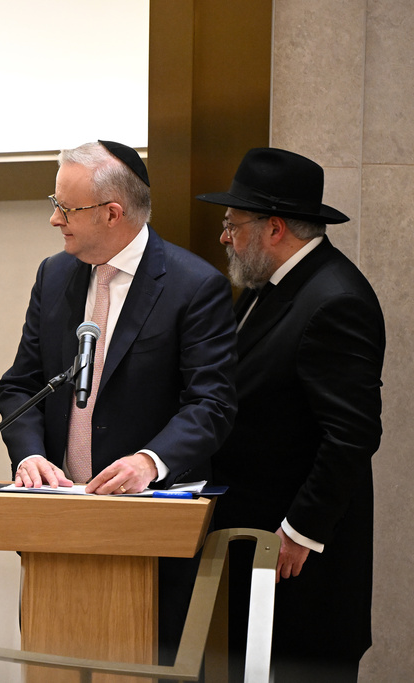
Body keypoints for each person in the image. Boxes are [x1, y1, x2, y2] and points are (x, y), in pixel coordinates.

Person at [0, 140, 238, 663]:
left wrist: (149, 462)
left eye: (65, 207)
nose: (53, 219)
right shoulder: (55, 275)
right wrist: (29, 454)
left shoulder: (195, 286)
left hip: (149, 534)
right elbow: (21, 384)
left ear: (112, 212)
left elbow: (211, 404)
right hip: (60, 526)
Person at [198, 147, 385, 682]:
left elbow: (352, 434)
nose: (224, 236)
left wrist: (301, 530)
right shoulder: (274, 287)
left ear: (274, 228)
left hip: (300, 569)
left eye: (233, 224)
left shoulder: (334, 299)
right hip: (258, 558)